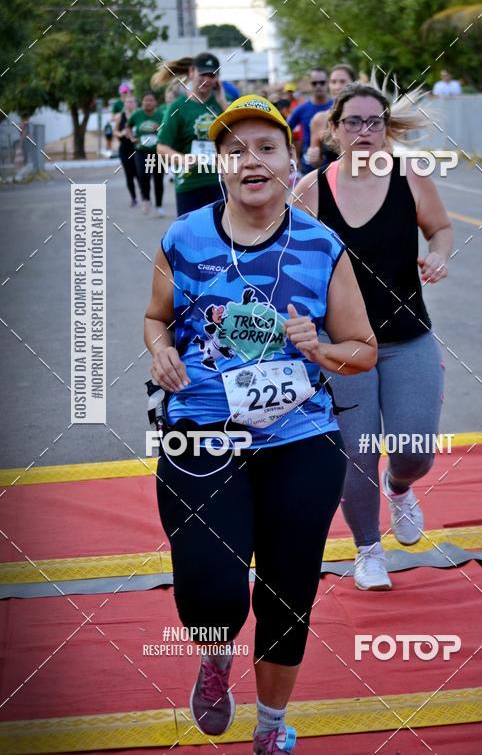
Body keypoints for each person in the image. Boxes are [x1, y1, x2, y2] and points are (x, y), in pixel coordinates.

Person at [144, 95, 376, 753]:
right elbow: (155, 316)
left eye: (266, 148)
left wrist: (318, 347)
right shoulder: (183, 238)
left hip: (300, 438)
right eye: (235, 149)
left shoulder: (320, 244)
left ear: (289, 159)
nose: (252, 160)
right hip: (203, 432)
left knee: (288, 589)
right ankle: (216, 657)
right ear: (219, 166)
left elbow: (361, 349)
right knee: (213, 592)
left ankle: (272, 729)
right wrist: (160, 349)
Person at [294, 82, 453, 592]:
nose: (364, 131)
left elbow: (441, 229)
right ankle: (368, 550)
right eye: (353, 122)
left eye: (374, 122)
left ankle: (400, 488)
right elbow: (286, 263)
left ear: (386, 130)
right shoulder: (311, 190)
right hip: (342, 348)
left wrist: (439, 255)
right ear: (335, 130)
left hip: (409, 339)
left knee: (415, 450)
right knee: (356, 453)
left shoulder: (411, 177)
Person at [155, 52, 230, 216]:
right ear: (191, 72)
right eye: (203, 74)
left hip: (221, 182)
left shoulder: (222, 104)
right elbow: (161, 147)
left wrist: (222, 100)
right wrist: (182, 159)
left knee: (224, 238)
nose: (207, 79)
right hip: (190, 184)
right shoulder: (178, 107)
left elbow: (239, 135)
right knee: (190, 238)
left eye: (212, 75)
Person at [306, 64, 356, 168]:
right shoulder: (320, 119)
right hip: (333, 180)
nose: (337, 86)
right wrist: (313, 157)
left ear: (354, 84)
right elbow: (317, 163)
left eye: (342, 81)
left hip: (366, 178)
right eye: (333, 82)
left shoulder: (368, 116)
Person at [287, 68, 332, 173]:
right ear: (310, 85)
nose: (318, 86)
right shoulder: (301, 109)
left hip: (333, 163)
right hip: (309, 166)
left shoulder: (337, 107)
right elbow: (285, 130)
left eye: (322, 82)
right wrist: (293, 155)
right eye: (314, 83)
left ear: (328, 83)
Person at [128, 91, 165, 216]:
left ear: (155, 102)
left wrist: (158, 127)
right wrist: (131, 137)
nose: (148, 102)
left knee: (158, 179)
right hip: (141, 151)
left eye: (151, 100)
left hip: (158, 152)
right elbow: (128, 126)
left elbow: (166, 130)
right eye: (146, 100)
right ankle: (146, 199)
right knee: (143, 175)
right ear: (142, 102)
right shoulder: (137, 114)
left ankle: (159, 205)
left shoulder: (161, 115)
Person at [114, 93, 140, 206]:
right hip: (124, 149)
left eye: (132, 101)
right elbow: (115, 131)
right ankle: (133, 198)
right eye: (127, 102)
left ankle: (145, 196)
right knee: (129, 174)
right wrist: (121, 133)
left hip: (138, 149)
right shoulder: (120, 116)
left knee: (139, 173)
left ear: (136, 103)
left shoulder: (140, 115)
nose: (130, 104)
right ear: (124, 103)